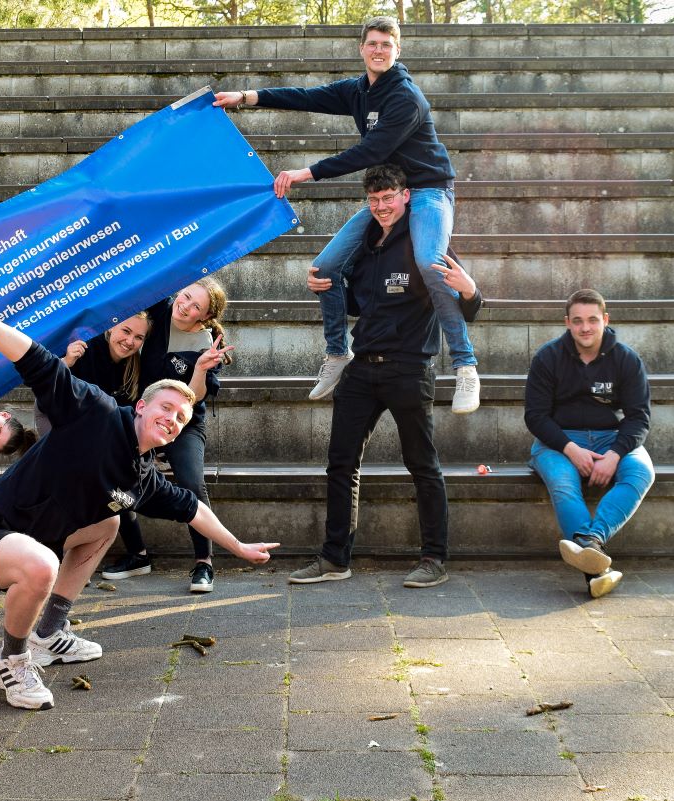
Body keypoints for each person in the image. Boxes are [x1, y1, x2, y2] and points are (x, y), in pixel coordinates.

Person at [0, 254, 278, 710]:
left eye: (180, 419)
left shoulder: (143, 477)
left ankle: (49, 631)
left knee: (107, 526)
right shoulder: (91, 410)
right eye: (165, 411)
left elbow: (193, 508)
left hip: (36, 543)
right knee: (42, 565)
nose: (172, 421)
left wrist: (238, 548)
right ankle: (13, 662)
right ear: (141, 406)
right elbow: (30, 356)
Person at [213, 16, 480, 413]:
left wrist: (307, 172)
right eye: (372, 43)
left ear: (397, 50)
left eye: (386, 44)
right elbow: (305, 96)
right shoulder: (358, 91)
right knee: (324, 269)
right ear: (362, 48)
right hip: (389, 195)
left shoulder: (405, 97)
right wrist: (248, 97)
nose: (378, 50)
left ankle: (465, 365)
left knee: (428, 261)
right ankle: (338, 353)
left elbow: (371, 151)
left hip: (427, 191)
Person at [288, 165, 482, 590]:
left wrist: (469, 289)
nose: (381, 207)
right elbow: (356, 302)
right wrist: (324, 285)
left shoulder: (427, 239)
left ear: (406, 195)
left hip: (410, 368)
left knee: (422, 466)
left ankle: (434, 558)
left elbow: (464, 308)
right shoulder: (362, 245)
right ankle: (334, 558)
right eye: (373, 200)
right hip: (361, 368)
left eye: (388, 198)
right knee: (340, 463)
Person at [524, 289, 655, 599]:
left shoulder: (626, 359)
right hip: (557, 440)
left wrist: (615, 454)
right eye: (578, 321)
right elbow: (536, 417)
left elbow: (639, 418)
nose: (586, 328)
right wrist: (570, 448)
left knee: (641, 472)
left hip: (612, 438)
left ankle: (591, 541)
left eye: (593, 320)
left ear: (605, 320)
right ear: (567, 322)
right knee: (563, 481)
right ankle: (596, 567)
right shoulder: (548, 357)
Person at [108, 279, 234, 593]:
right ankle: (137, 555)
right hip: (143, 414)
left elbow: (196, 397)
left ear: (204, 317)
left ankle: (204, 561)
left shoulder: (208, 341)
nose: (186, 306)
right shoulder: (159, 311)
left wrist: (201, 369)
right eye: (186, 296)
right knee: (112, 469)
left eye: (196, 307)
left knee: (191, 481)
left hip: (183, 420)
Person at [33, 315, 155, 580]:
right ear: (110, 326)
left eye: (138, 337)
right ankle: (59, 558)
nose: (130, 341)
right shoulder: (86, 348)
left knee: (116, 476)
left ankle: (138, 555)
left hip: (94, 430)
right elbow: (47, 387)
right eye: (125, 330)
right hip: (57, 417)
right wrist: (65, 362)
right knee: (73, 476)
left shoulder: (132, 368)